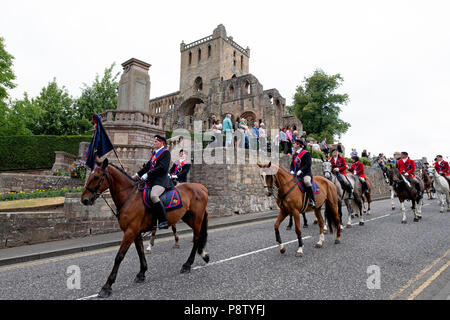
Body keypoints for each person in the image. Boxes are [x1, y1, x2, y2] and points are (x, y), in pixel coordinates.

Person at [133, 135, 172, 230]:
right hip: (151, 180)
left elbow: (162, 168)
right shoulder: (155, 153)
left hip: (160, 180)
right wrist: (136, 175)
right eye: (154, 141)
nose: (154, 143)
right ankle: (151, 222)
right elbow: (147, 166)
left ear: (161, 143)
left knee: (153, 196)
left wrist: (148, 174)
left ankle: (163, 220)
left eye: (156, 141)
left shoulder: (166, 153)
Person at [290, 138, 316, 207]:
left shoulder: (306, 153)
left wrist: (301, 170)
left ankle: (312, 200)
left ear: (298, 145)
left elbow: (308, 164)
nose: (293, 144)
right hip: (296, 174)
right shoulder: (295, 154)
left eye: (294, 143)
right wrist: (291, 170)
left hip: (306, 173)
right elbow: (292, 164)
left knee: (307, 182)